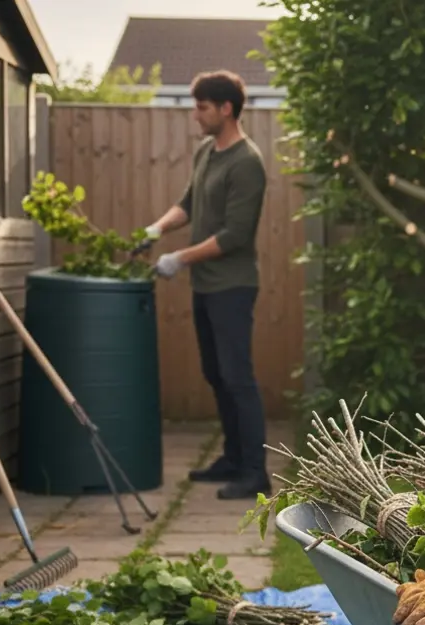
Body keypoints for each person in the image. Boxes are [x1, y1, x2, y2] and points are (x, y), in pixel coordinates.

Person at [142, 70, 270, 500]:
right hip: (205, 286)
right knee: (216, 374)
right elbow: (189, 204)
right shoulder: (206, 152)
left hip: (233, 286)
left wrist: (179, 258)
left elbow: (235, 235)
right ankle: (232, 458)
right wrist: (157, 230)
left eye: (201, 107)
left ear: (225, 109)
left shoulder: (247, 162)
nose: (195, 115)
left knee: (238, 377)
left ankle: (255, 470)